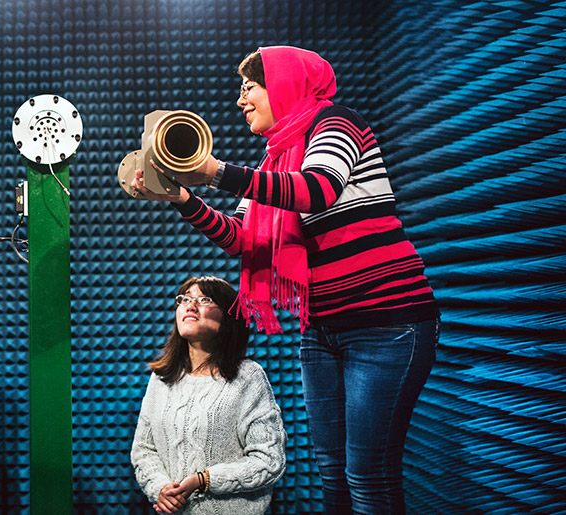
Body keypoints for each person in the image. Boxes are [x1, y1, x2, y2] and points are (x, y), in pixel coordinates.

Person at [131, 46, 441, 515]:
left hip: (386, 324)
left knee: (367, 474)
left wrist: (215, 171)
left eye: (249, 87)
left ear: (282, 83)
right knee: (333, 472)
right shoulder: (275, 157)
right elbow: (239, 238)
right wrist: (181, 197)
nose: (241, 101)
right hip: (322, 328)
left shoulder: (335, 123)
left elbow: (316, 189)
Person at [130, 276, 287, 514]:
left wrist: (204, 480)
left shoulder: (248, 377)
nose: (190, 306)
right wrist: (160, 489)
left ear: (229, 317)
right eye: (184, 299)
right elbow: (143, 450)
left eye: (204, 299)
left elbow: (269, 460)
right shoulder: (161, 378)